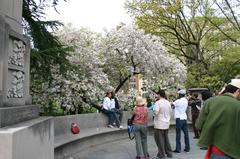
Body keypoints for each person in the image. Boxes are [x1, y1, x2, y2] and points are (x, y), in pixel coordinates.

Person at [196, 79, 240, 159]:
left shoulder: (209, 102)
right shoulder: (238, 105)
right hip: (236, 152)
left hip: (216, 150)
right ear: (238, 90)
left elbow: (199, 125)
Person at [153, 90, 173, 158]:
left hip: (159, 123)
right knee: (166, 139)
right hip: (166, 123)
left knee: (159, 140)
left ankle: (162, 154)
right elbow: (170, 111)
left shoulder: (157, 103)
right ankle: (169, 153)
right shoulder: (168, 102)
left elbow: (156, 112)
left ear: (159, 95)